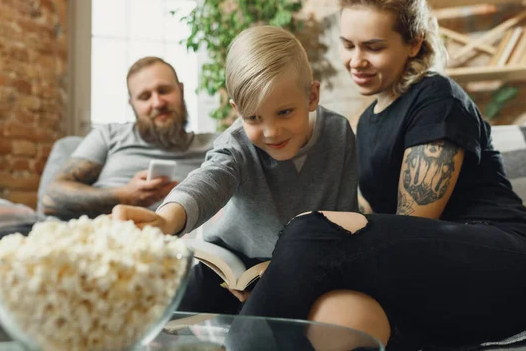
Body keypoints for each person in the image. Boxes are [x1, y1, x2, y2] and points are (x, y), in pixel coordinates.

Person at [239, 0, 526, 350]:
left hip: (508, 266)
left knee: (309, 233)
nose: (356, 60)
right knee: (339, 314)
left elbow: (405, 230)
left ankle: (231, 346)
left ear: (414, 44)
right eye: (348, 45)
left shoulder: (437, 97)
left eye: (373, 46)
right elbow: (376, 232)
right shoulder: (367, 122)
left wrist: (303, 254)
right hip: (436, 282)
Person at [114, 26, 359, 314]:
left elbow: (346, 219)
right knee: (179, 324)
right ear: (237, 109)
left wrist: (295, 265)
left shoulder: (339, 133)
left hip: (302, 264)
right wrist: (166, 221)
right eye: (253, 117)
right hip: (225, 268)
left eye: (284, 112)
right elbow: (208, 180)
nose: (270, 132)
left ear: (312, 96)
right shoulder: (236, 142)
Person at [0, 56, 217, 298]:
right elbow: (52, 198)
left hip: (163, 248)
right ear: (132, 105)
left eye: (164, 90)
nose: (157, 102)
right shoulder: (110, 135)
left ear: (181, 90)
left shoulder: (215, 146)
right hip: (84, 236)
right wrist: (126, 195)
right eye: (144, 96)